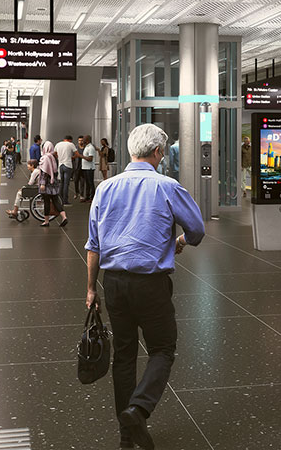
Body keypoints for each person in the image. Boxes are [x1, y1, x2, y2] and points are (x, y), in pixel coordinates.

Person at [84, 124, 205, 450]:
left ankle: (126, 437)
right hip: (151, 285)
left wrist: (91, 289)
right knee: (162, 349)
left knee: (124, 356)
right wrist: (179, 240)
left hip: (115, 285)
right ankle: (138, 410)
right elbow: (197, 229)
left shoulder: (105, 188)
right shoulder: (167, 186)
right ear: (157, 153)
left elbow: (93, 245)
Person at [37, 141, 68, 227]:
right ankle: (64, 217)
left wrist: (42, 183)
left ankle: (46, 221)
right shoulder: (54, 157)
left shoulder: (45, 157)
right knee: (55, 201)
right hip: (54, 183)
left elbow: (44, 172)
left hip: (47, 184)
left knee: (46, 202)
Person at [55, 135, 78, 204]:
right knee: (66, 184)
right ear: (70, 140)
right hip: (68, 165)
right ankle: (65, 200)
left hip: (60, 165)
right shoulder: (71, 144)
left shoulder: (58, 144)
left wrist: (59, 158)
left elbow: (55, 153)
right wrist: (72, 157)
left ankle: (59, 199)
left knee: (61, 183)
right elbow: (77, 154)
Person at [80, 134, 97, 201]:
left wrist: (82, 156)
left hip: (89, 168)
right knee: (87, 183)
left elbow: (90, 159)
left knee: (90, 183)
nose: (82, 140)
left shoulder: (90, 148)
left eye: (84, 139)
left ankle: (92, 197)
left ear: (87, 140)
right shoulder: (86, 147)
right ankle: (87, 196)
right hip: (85, 168)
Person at [73, 136, 86, 200]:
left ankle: (81, 194)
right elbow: (73, 156)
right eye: (79, 140)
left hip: (83, 167)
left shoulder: (86, 147)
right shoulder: (76, 147)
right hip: (76, 166)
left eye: (81, 140)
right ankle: (76, 192)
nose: (80, 141)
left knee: (82, 181)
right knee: (76, 181)